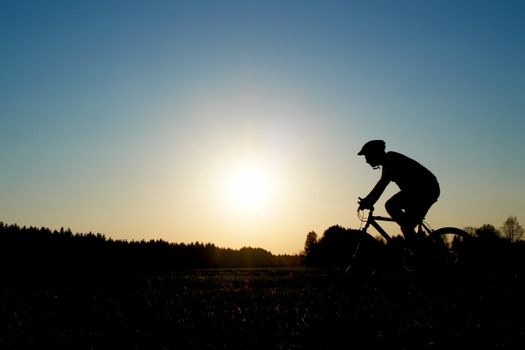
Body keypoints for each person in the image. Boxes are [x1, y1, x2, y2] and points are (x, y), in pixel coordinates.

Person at [357, 140, 440, 239]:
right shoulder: (387, 162)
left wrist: (368, 202)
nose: (366, 161)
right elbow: (380, 185)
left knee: (393, 208)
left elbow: (381, 185)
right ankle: (416, 244)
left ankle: (419, 249)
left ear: (374, 153)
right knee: (406, 225)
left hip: (425, 190)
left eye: (367, 156)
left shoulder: (391, 160)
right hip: (417, 191)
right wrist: (368, 201)